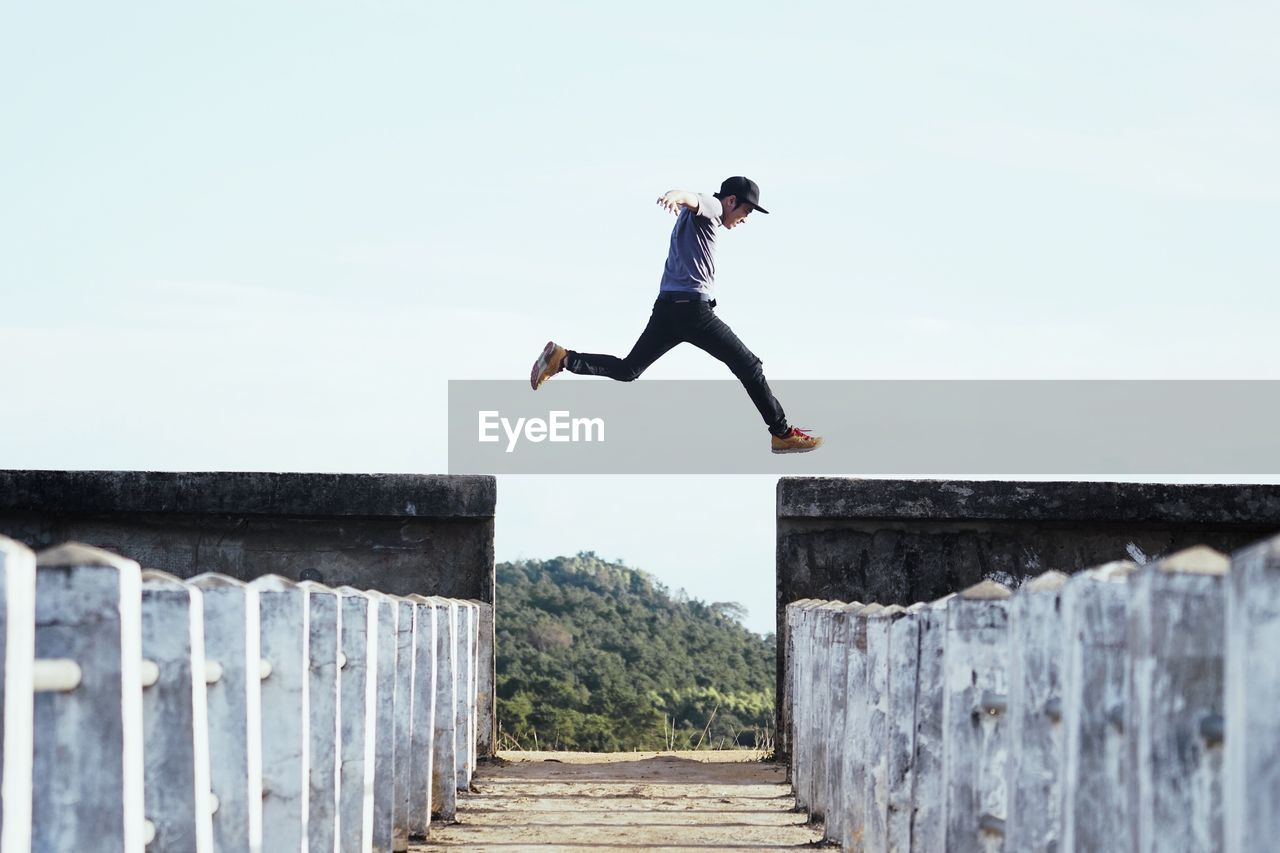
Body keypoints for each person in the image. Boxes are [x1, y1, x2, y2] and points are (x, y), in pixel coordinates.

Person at [529, 176, 822, 454]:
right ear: (732, 201)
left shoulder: (697, 220)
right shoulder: (714, 208)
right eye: (746, 211)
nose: (744, 219)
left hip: (667, 309)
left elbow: (691, 202)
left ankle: (563, 358)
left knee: (629, 369)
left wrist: (680, 199)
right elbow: (694, 198)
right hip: (694, 312)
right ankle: (782, 433)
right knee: (749, 366)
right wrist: (675, 195)